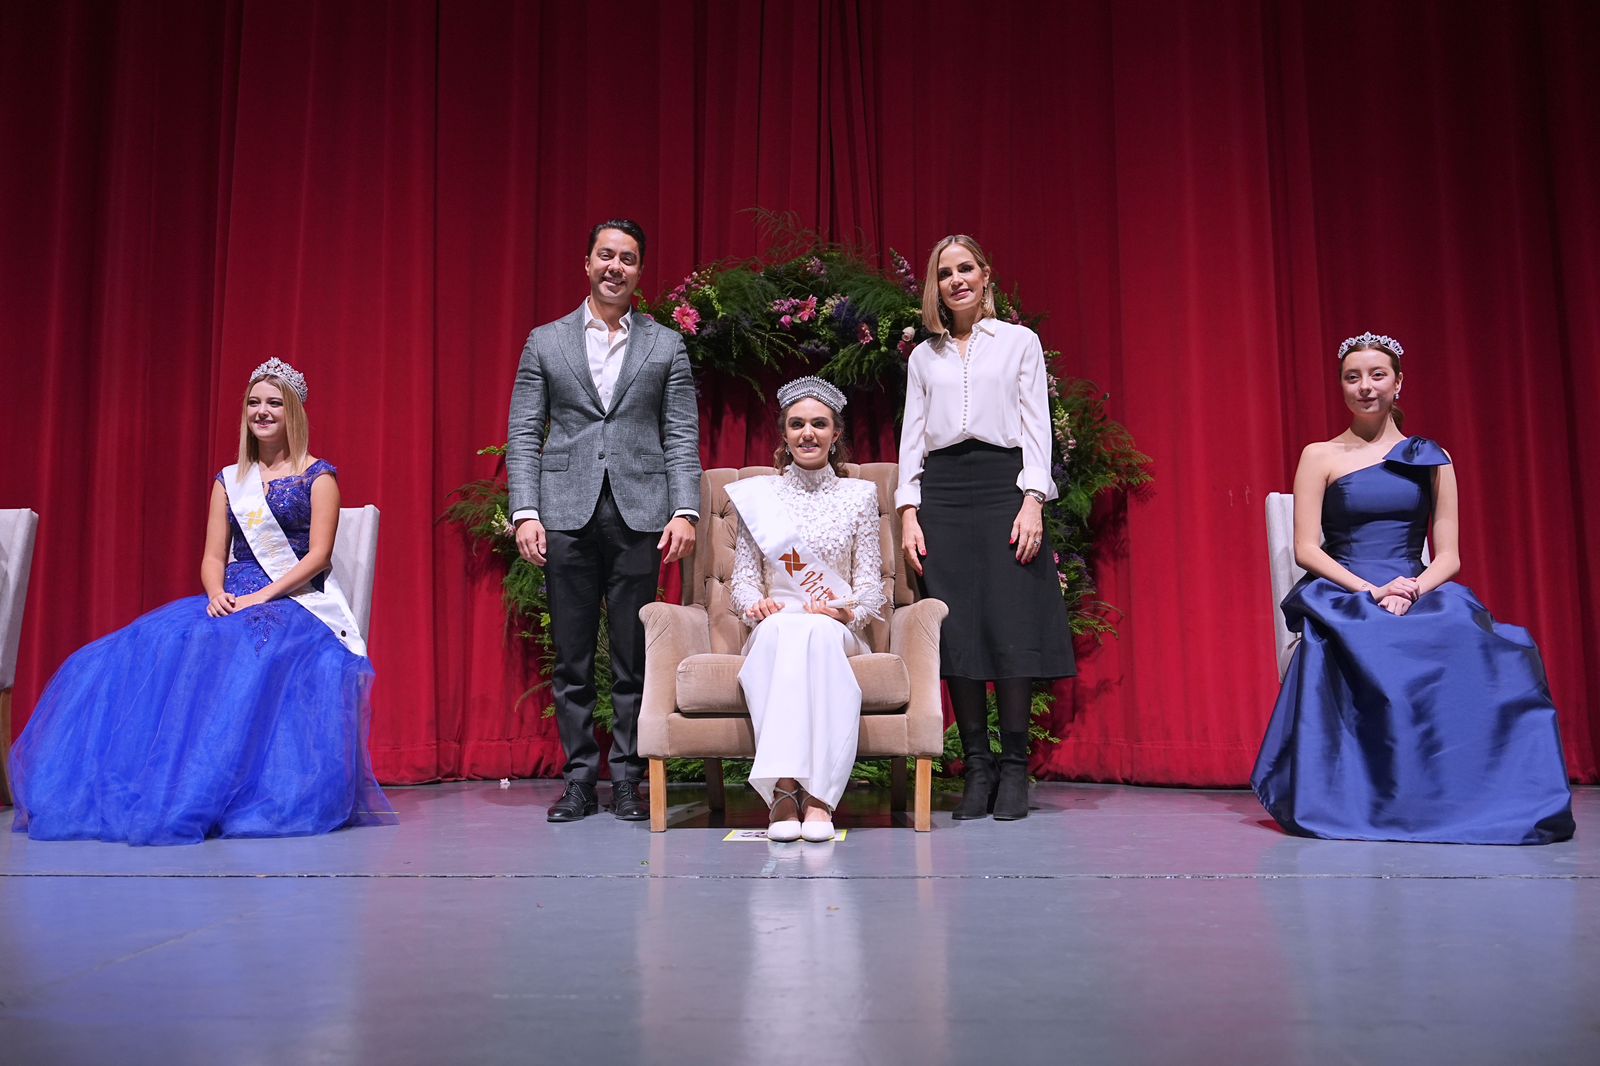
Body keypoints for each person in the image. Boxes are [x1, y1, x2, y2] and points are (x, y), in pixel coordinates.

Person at [9, 359, 394, 846]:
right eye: (254, 403)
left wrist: (262, 596)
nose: (263, 411)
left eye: (274, 402)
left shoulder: (320, 477)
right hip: (232, 596)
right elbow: (213, 556)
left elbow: (317, 557)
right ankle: (156, 784)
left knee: (235, 648)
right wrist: (217, 594)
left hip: (295, 601)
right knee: (158, 640)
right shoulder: (229, 479)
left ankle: (222, 789)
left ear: (294, 411)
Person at [1251, 332, 1574, 844]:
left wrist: (1413, 590)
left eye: (1377, 375)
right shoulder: (1320, 455)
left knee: (1497, 650)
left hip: (1416, 586)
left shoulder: (1432, 456)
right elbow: (1307, 549)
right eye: (1352, 377)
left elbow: (1449, 556)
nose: (1365, 387)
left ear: (1398, 383)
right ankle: (1375, 796)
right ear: (1341, 386)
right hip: (1346, 588)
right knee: (1374, 641)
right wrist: (1372, 591)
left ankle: (1470, 797)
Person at [507, 219, 702, 823]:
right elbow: (523, 432)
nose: (616, 266)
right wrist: (526, 511)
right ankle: (579, 779)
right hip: (565, 513)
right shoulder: (545, 341)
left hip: (640, 515)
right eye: (606, 256)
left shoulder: (665, 344)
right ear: (586, 263)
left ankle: (628, 779)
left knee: (632, 657)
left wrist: (685, 509)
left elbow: (680, 433)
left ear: (640, 271)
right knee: (570, 657)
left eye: (629, 258)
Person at [896, 235, 1076, 822]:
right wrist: (907, 512)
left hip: (1004, 485)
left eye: (965, 268)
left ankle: (1015, 768)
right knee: (958, 630)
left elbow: (1036, 426)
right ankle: (977, 767)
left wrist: (1031, 499)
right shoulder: (924, 357)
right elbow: (912, 439)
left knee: (1010, 623)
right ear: (936, 287)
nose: (956, 280)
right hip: (943, 494)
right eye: (945, 273)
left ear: (985, 274)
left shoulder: (1020, 342)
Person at [727, 377, 886, 842]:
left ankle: (819, 796)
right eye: (797, 425)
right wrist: (756, 605)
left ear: (836, 434)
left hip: (834, 624)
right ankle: (784, 789)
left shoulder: (859, 496)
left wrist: (842, 612)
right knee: (784, 632)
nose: (808, 433)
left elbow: (870, 585)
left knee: (814, 634)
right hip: (776, 623)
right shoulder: (760, 497)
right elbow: (742, 579)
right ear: (784, 433)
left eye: (819, 424)